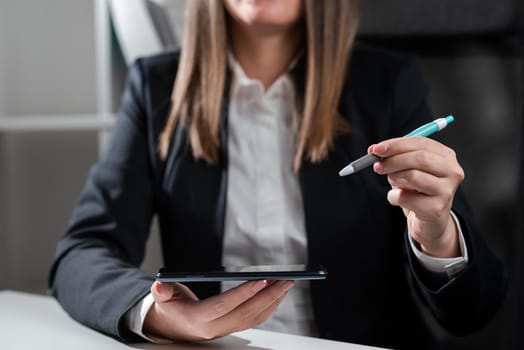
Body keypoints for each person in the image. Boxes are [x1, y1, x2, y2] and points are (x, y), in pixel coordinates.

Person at [48, 0, 507, 349]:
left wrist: (436, 231)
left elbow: (471, 311)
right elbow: (81, 253)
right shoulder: (157, 87)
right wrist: (158, 314)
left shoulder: (385, 83)